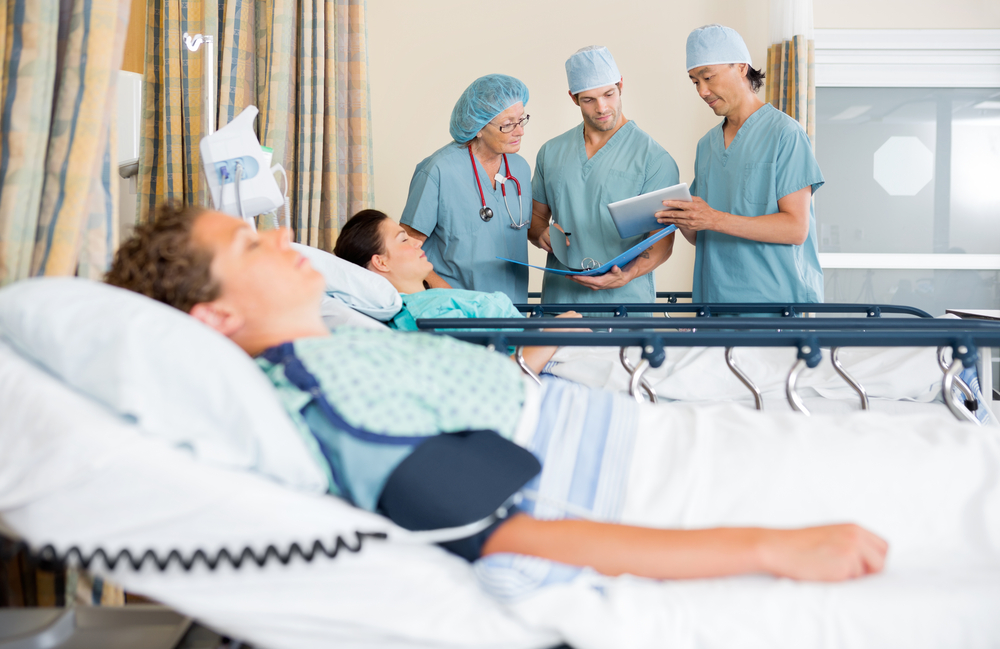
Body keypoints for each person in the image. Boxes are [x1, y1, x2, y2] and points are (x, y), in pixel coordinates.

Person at [106, 206, 918, 585]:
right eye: (251, 242)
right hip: (649, 475)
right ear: (215, 314)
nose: (283, 235)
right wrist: (769, 547)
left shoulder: (341, 338)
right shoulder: (325, 402)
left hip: (640, 428)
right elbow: (520, 536)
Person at [656, 25, 825, 303]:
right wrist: (678, 215)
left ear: (741, 67)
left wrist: (713, 218)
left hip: (775, 304)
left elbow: (796, 229)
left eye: (708, 77)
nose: (702, 90)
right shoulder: (707, 145)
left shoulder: (784, 133)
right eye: (695, 81)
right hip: (714, 302)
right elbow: (703, 236)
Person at [334, 208, 582, 373]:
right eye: (403, 239)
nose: (418, 241)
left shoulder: (430, 300)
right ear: (381, 262)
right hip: (551, 362)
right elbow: (495, 379)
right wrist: (555, 331)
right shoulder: (424, 314)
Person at [528, 46, 680, 306]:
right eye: (588, 99)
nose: (601, 107)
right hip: (560, 303)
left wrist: (626, 275)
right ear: (573, 98)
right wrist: (541, 233)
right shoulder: (551, 152)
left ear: (621, 85)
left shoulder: (654, 159)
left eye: (609, 94)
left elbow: (662, 241)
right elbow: (536, 218)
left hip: (623, 305)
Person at [400, 74, 532, 303]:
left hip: (510, 310)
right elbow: (405, 248)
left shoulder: (519, 169)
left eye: (521, 120)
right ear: (478, 127)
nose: (520, 131)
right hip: (455, 311)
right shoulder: (438, 171)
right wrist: (446, 294)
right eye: (508, 124)